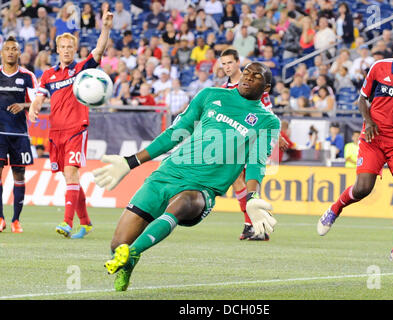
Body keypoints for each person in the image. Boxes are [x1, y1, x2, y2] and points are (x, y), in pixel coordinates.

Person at [93, 62, 280, 291]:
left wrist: (252, 197)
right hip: (168, 173)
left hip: (203, 187)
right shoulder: (210, 95)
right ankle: (128, 258)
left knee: (183, 204)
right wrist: (131, 161)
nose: (248, 77)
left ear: (266, 88)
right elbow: (175, 133)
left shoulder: (267, 120)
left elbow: (255, 163)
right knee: (116, 245)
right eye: (246, 72)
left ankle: (132, 252)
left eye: (256, 76)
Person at [317, 32, 393, 263]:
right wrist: (369, 121)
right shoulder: (379, 68)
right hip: (374, 137)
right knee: (363, 188)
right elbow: (362, 99)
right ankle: (335, 209)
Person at [28, 11, 114, 239]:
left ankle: (67, 222)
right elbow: (39, 96)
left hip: (77, 128)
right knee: (69, 178)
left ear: (74, 50)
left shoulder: (81, 69)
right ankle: (85, 223)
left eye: (70, 47)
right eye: (62, 46)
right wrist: (34, 106)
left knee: (71, 173)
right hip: (56, 132)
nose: (66, 50)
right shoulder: (48, 75)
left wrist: (105, 28)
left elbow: (99, 50)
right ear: (57, 49)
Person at [218, 48, 288, 240]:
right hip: (235, 139)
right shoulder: (225, 89)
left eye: (229, 63)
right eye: (223, 64)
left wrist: (278, 134)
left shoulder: (255, 84)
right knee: (236, 179)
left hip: (256, 137)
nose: (226, 67)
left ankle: (257, 225)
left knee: (251, 179)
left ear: (238, 62)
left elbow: (267, 112)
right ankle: (251, 223)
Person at [0, 36, 38, 233]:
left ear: (19, 53)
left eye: (14, 49)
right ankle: (0, 218)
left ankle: (16, 220)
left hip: (19, 134)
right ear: (2, 53)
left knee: (19, 174)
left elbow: (38, 102)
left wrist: (23, 105)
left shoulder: (28, 76)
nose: (11, 52)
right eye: (7, 49)